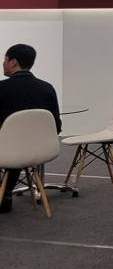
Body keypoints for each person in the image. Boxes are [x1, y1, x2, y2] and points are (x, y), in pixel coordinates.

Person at [0, 44, 61, 214]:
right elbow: (56, 126)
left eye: (4, 59)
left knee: (10, 145)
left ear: (13, 62)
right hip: (40, 150)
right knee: (16, 145)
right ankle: (5, 193)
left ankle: (4, 192)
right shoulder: (47, 88)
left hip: (8, 151)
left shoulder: (2, 89)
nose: (3, 64)